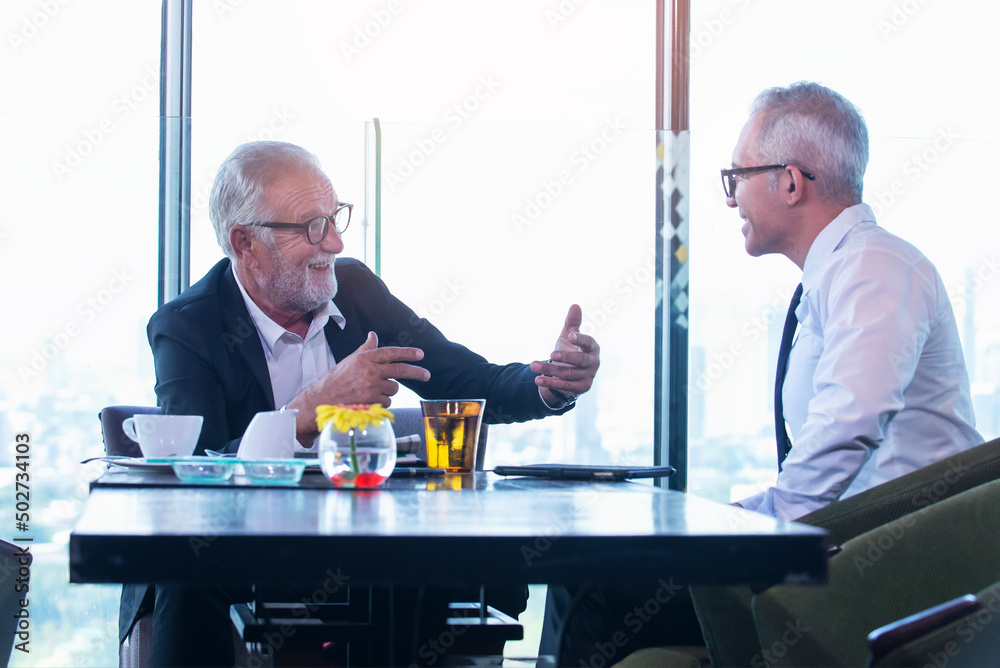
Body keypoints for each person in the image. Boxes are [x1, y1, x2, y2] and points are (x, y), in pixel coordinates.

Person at [540, 81, 982, 666]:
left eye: (736, 177)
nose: (729, 200)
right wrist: (735, 522)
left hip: (891, 558)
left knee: (595, 585)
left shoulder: (875, 266)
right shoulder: (836, 276)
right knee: (595, 576)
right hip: (846, 540)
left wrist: (745, 536)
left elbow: (848, 424)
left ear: (792, 181)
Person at [124, 140, 601, 667]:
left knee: (494, 565)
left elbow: (455, 374)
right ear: (246, 243)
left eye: (335, 217)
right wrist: (313, 407)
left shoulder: (353, 288)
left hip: (358, 538)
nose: (334, 240)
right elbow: (200, 469)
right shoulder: (187, 326)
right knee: (191, 576)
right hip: (243, 544)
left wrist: (548, 385)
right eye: (311, 226)